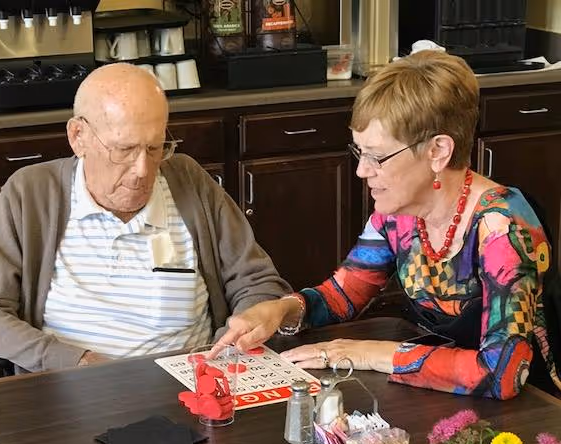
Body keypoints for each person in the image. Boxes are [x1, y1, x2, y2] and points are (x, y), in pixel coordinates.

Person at [213, 50, 561, 400]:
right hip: (441, 397)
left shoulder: (503, 226)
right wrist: (283, 309)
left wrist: (368, 353)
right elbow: (344, 294)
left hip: (531, 412)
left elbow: (500, 374)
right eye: (359, 152)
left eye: (376, 156)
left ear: (438, 151)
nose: (362, 170)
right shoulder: (397, 214)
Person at [0, 63, 290, 373]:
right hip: (67, 393)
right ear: (78, 137)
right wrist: (76, 362)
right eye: (124, 150)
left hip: (188, 387)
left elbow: (258, 283)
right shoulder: (31, 194)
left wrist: (247, 321)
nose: (143, 170)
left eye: (155, 148)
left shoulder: (189, 182)